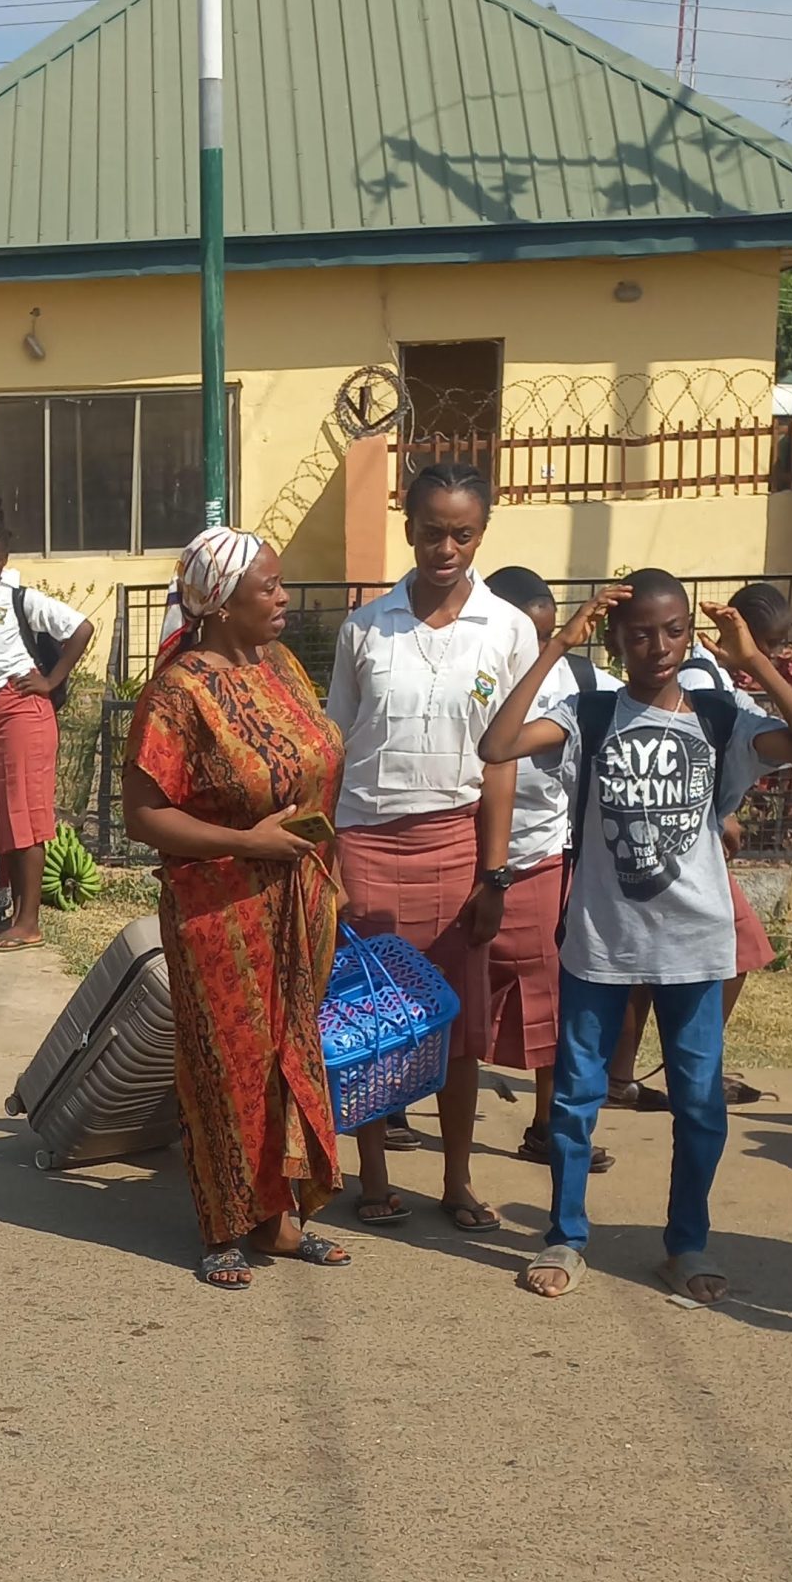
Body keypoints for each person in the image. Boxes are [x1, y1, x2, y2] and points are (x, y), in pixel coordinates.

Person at [481, 569, 792, 1305]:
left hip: (693, 943)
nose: (659, 645)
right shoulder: (589, 713)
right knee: (578, 1098)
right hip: (602, 941)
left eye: (673, 629)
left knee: (699, 1103)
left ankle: (687, 1243)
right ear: (616, 640)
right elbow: (499, 744)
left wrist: (755, 664)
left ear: (688, 632)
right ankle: (565, 1234)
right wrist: (558, 644)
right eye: (640, 632)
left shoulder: (720, 715)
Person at [122, 528, 349, 1289]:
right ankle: (223, 1223)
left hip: (299, 899)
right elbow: (144, 817)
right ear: (221, 604)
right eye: (269, 588)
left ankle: (280, 1220)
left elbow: (316, 759)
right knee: (229, 1067)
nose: (283, 598)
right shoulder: (178, 693)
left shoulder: (280, 667)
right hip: (219, 908)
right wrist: (245, 842)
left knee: (291, 1058)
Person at [323, 461, 539, 1231]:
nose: (445, 547)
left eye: (462, 533)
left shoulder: (510, 630)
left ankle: (456, 1180)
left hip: (458, 846)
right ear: (405, 524)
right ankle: (373, 1175)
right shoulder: (365, 628)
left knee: (454, 1027)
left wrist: (495, 873)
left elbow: (502, 759)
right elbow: (334, 748)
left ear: (483, 532)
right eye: (429, 530)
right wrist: (333, 864)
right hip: (368, 844)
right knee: (372, 1022)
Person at [608, 579, 792, 1109]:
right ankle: (692, 1068)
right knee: (741, 947)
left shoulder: (715, 675)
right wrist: (723, 811)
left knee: (652, 969)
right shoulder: (692, 675)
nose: (773, 652)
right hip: (680, 846)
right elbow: (677, 755)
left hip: (688, 842)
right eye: (768, 641)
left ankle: (632, 1073)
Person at [480, 564, 611, 1176]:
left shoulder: (581, 680)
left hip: (545, 858)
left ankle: (546, 1123)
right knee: (443, 986)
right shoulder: (471, 671)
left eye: (548, 635)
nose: (537, 649)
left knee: (550, 999)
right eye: (525, 636)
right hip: (468, 851)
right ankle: (398, 1106)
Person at [0, 518, 94, 952]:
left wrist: (50, 679)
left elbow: (81, 629)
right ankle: (14, 914)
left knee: (25, 816)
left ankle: (30, 924)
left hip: (23, 714)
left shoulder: (20, 598)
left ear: (5, 560)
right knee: (3, 816)